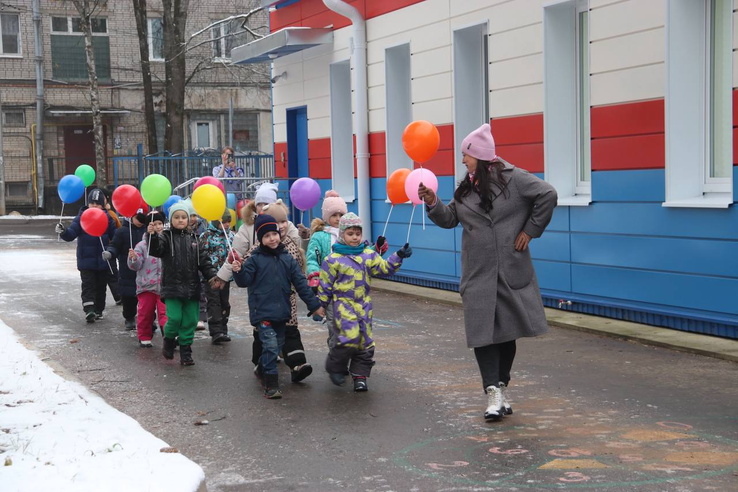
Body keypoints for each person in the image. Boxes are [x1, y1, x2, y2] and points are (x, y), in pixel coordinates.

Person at [418, 123, 557, 421]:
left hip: (510, 268)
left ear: (479, 156)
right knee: (482, 334)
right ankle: (492, 391)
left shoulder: (514, 179)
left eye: (466, 155)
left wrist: (530, 231)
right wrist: (432, 202)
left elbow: (548, 194)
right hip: (477, 272)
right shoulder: (466, 186)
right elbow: (450, 218)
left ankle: (502, 386)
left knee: (507, 334)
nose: (462, 161)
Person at [231, 214, 325, 399]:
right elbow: (244, 281)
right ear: (261, 239)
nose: (272, 238)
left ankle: (261, 369)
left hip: (282, 312)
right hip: (262, 312)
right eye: (267, 236)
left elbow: (300, 283)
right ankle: (271, 385)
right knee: (271, 346)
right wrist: (239, 271)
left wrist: (314, 306)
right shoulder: (254, 259)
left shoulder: (287, 258)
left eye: (274, 234)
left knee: (276, 345)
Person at [317, 213, 413, 392]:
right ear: (342, 235)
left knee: (365, 342)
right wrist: (320, 306)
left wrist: (399, 255)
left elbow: (385, 268)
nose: (355, 237)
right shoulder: (332, 259)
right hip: (343, 305)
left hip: (364, 306)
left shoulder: (368, 255)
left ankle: (360, 376)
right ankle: (335, 366)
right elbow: (325, 284)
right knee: (349, 337)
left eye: (358, 234)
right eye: (350, 234)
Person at [148, 202, 219, 366]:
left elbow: (204, 262)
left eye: (183, 217)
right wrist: (152, 236)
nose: (180, 220)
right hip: (172, 288)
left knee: (190, 321)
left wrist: (212, 277)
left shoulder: (194, 239)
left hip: (192, 288)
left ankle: (186, 351)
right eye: (177, 217)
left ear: (188, 220)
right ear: (171, 219)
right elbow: (156, 250)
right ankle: (169, 340)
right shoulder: (165, 237)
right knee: (174, 318)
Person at [216, 183, 299, 283]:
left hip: (282, 275)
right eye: (259, 204)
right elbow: (236, 252)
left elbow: (298, 245)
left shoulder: (285, 224)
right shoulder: (248, 227)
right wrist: (222, 276)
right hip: (258, 277)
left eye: (266, 203)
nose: (262, 207)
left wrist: (305, 237)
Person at [56, 188, 116, 323]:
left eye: (97, 204)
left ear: (102, 205)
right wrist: (63, 231)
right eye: (92, 203)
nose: (94, 206)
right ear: (88, 204)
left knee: (101, 287)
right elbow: (71, 234)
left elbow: (115, 237)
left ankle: (99, 310)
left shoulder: (107, 218)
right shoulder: (81, 217)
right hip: (85, 260)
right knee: (88, 285)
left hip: (103, 260)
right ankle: (89, 309)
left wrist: (112, 251)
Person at [305, 190, 347, 347]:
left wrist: (376, 249)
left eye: (341, 215)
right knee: (334, 323)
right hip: (328, 285)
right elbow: (312, 258)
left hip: (347, 285)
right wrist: (315, 275)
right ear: (326, 217)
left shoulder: (348, 234)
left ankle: (342, 351)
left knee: (348, 323)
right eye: (334, 215)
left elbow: (361, 252)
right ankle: (337, 354)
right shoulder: (319, 236)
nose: (337, 219)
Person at [127, 211, 168, 347]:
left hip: (165, 286)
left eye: (159, 223)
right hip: (146, 286)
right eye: (153, 224)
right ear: (147, 227)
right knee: (145, 313)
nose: (157, 227)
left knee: (165, 314)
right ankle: (144, 336)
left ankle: (169, 336)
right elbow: (136, 265)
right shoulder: (141, 246)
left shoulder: (167, 242)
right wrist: (133, 258)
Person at [104, 208, 147, 330]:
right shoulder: (122, 231)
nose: (140, 221)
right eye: (137, 218)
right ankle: (129, 317)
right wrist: (110, 253)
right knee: (129, 297)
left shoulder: (148, 231)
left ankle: (148, 318)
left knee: (147, 298)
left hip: (146, 271)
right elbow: (114, 246)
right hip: (128, 270)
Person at [200, 209, 235, 345]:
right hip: (212, 276)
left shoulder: (231, 236)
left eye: (229, 222)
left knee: (224, 302)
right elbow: (202, 254)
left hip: (226, 276)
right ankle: (216, 331)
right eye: (224, 222)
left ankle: (223, 328)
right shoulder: (206, 235)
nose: (227, 225)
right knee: (214, 302)